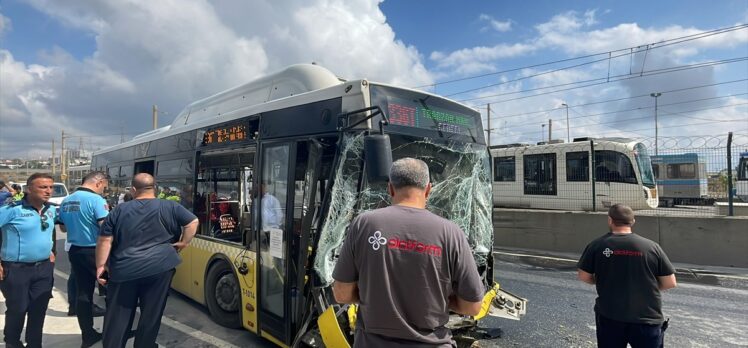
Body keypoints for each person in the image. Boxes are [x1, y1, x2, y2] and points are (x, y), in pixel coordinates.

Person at [332, 158, 484, 347]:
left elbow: (342, 294)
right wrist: (444, 300)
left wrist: (373, 295)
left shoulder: (364, 224)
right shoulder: (451, 232)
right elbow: (473, 306)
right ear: (428, 189)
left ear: (390, 189)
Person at [96, 173, 198, 348]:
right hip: (160, 268)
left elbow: (105, 240)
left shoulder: (119, 210)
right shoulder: (170, 206)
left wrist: (100, 266)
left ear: (133, 190)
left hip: (124, 270)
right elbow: (192, 222)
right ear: (154, 188)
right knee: (152, 313)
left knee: (118, 315)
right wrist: (184, 242)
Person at [577, 204, 677, 348]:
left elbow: (584, 276)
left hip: (610, 316)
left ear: (610, 220)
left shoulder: (596, 245)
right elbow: (670, 282)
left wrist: (602, 282)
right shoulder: (651, 247)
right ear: (633, 222)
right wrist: (645, 288)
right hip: (647, 319)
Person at [0, 173, 58, 348]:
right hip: (16, 269)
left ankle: (34, 344)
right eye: (43, 187)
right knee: (18, 309)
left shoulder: (51, 209)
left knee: (38, 310)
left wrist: (52, 250)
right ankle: (12, 341)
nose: (48, 191)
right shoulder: (12, 210)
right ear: (28, 189)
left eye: (50, 187)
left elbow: (51, 231)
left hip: (43, 269)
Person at [58, 171, 111, 347]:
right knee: (111, 290)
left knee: (83, 293)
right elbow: (105, 228)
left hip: (75, 250)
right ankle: (113, 332)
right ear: (99, 182)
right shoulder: (96, 200)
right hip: (96, 251)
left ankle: (87, 335)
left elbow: (63, 229)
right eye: (104, 186)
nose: (104, 190)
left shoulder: (67, 200)